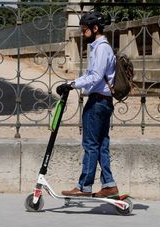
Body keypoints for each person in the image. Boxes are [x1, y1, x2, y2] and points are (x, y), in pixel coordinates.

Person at [56, 12, 119, 198]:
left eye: (84, 30)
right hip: (103, 101)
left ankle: (84, 186)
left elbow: (95, 77)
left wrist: (71, 84)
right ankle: (109, 185)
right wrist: (72, 82)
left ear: (95, 28)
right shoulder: (101, 47)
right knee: (101, 145)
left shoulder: (101, 48)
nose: (83, 33)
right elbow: (94, 76)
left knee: (91, 145)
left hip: (98, 102)